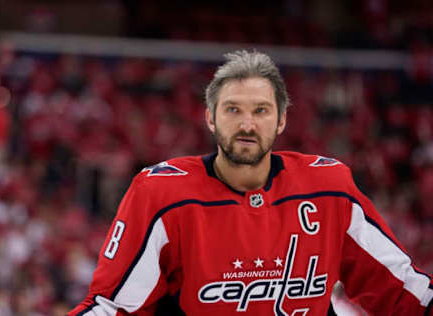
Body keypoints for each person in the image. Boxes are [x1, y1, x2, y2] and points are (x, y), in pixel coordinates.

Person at [68, 51, 433, 316]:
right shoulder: (161, 194)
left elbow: (403, 295)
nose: (247, 124)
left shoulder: (330, 187)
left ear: (281, 121)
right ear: (210, 118)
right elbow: (113, 307)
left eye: (261, 110)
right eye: (233, 110)